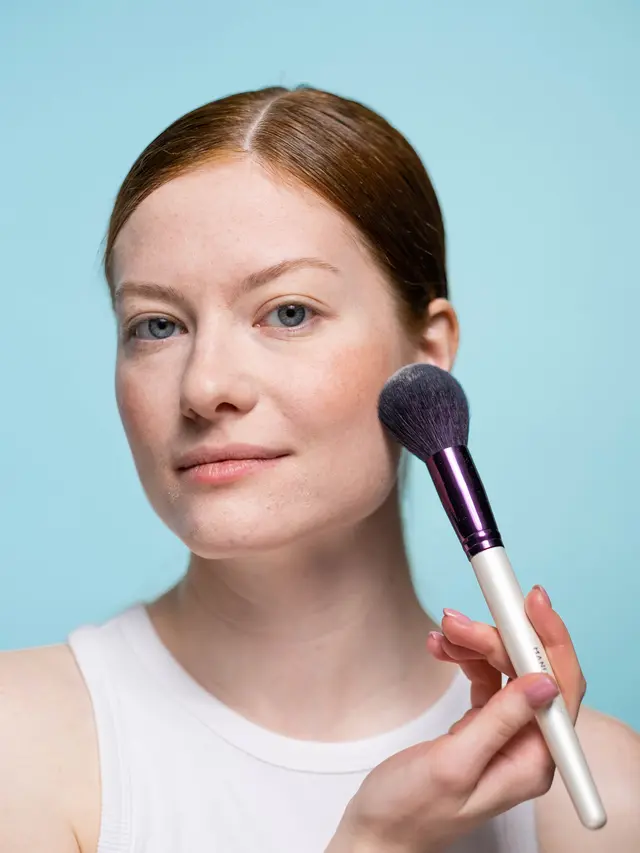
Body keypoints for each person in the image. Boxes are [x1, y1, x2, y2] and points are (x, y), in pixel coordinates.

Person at [1, 86, 638, 853]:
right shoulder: (21, 743)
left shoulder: (606, 794)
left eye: (288, 312)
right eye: (157, 325)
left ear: (427, 352)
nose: (205, 386)